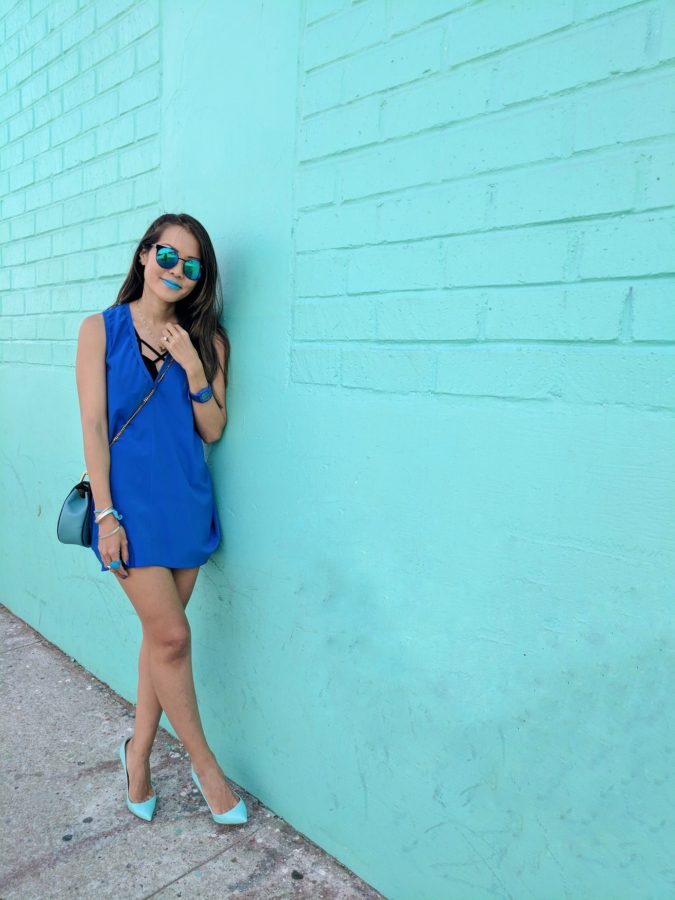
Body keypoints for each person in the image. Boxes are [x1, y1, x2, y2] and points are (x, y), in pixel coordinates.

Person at [75, 212, 246, 825]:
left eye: (192, 266)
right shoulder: (100, 330)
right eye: (168, 256)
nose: (178, 271)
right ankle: (207, 770)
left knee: (160, 642)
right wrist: (106, 515)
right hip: (127, 513)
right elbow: (94, 427)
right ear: (145, 256)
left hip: (186, 506)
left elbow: (213, 427)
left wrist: (194, 367)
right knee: (173, 638)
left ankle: (138, 756)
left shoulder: (209, 339)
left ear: (201, 280)